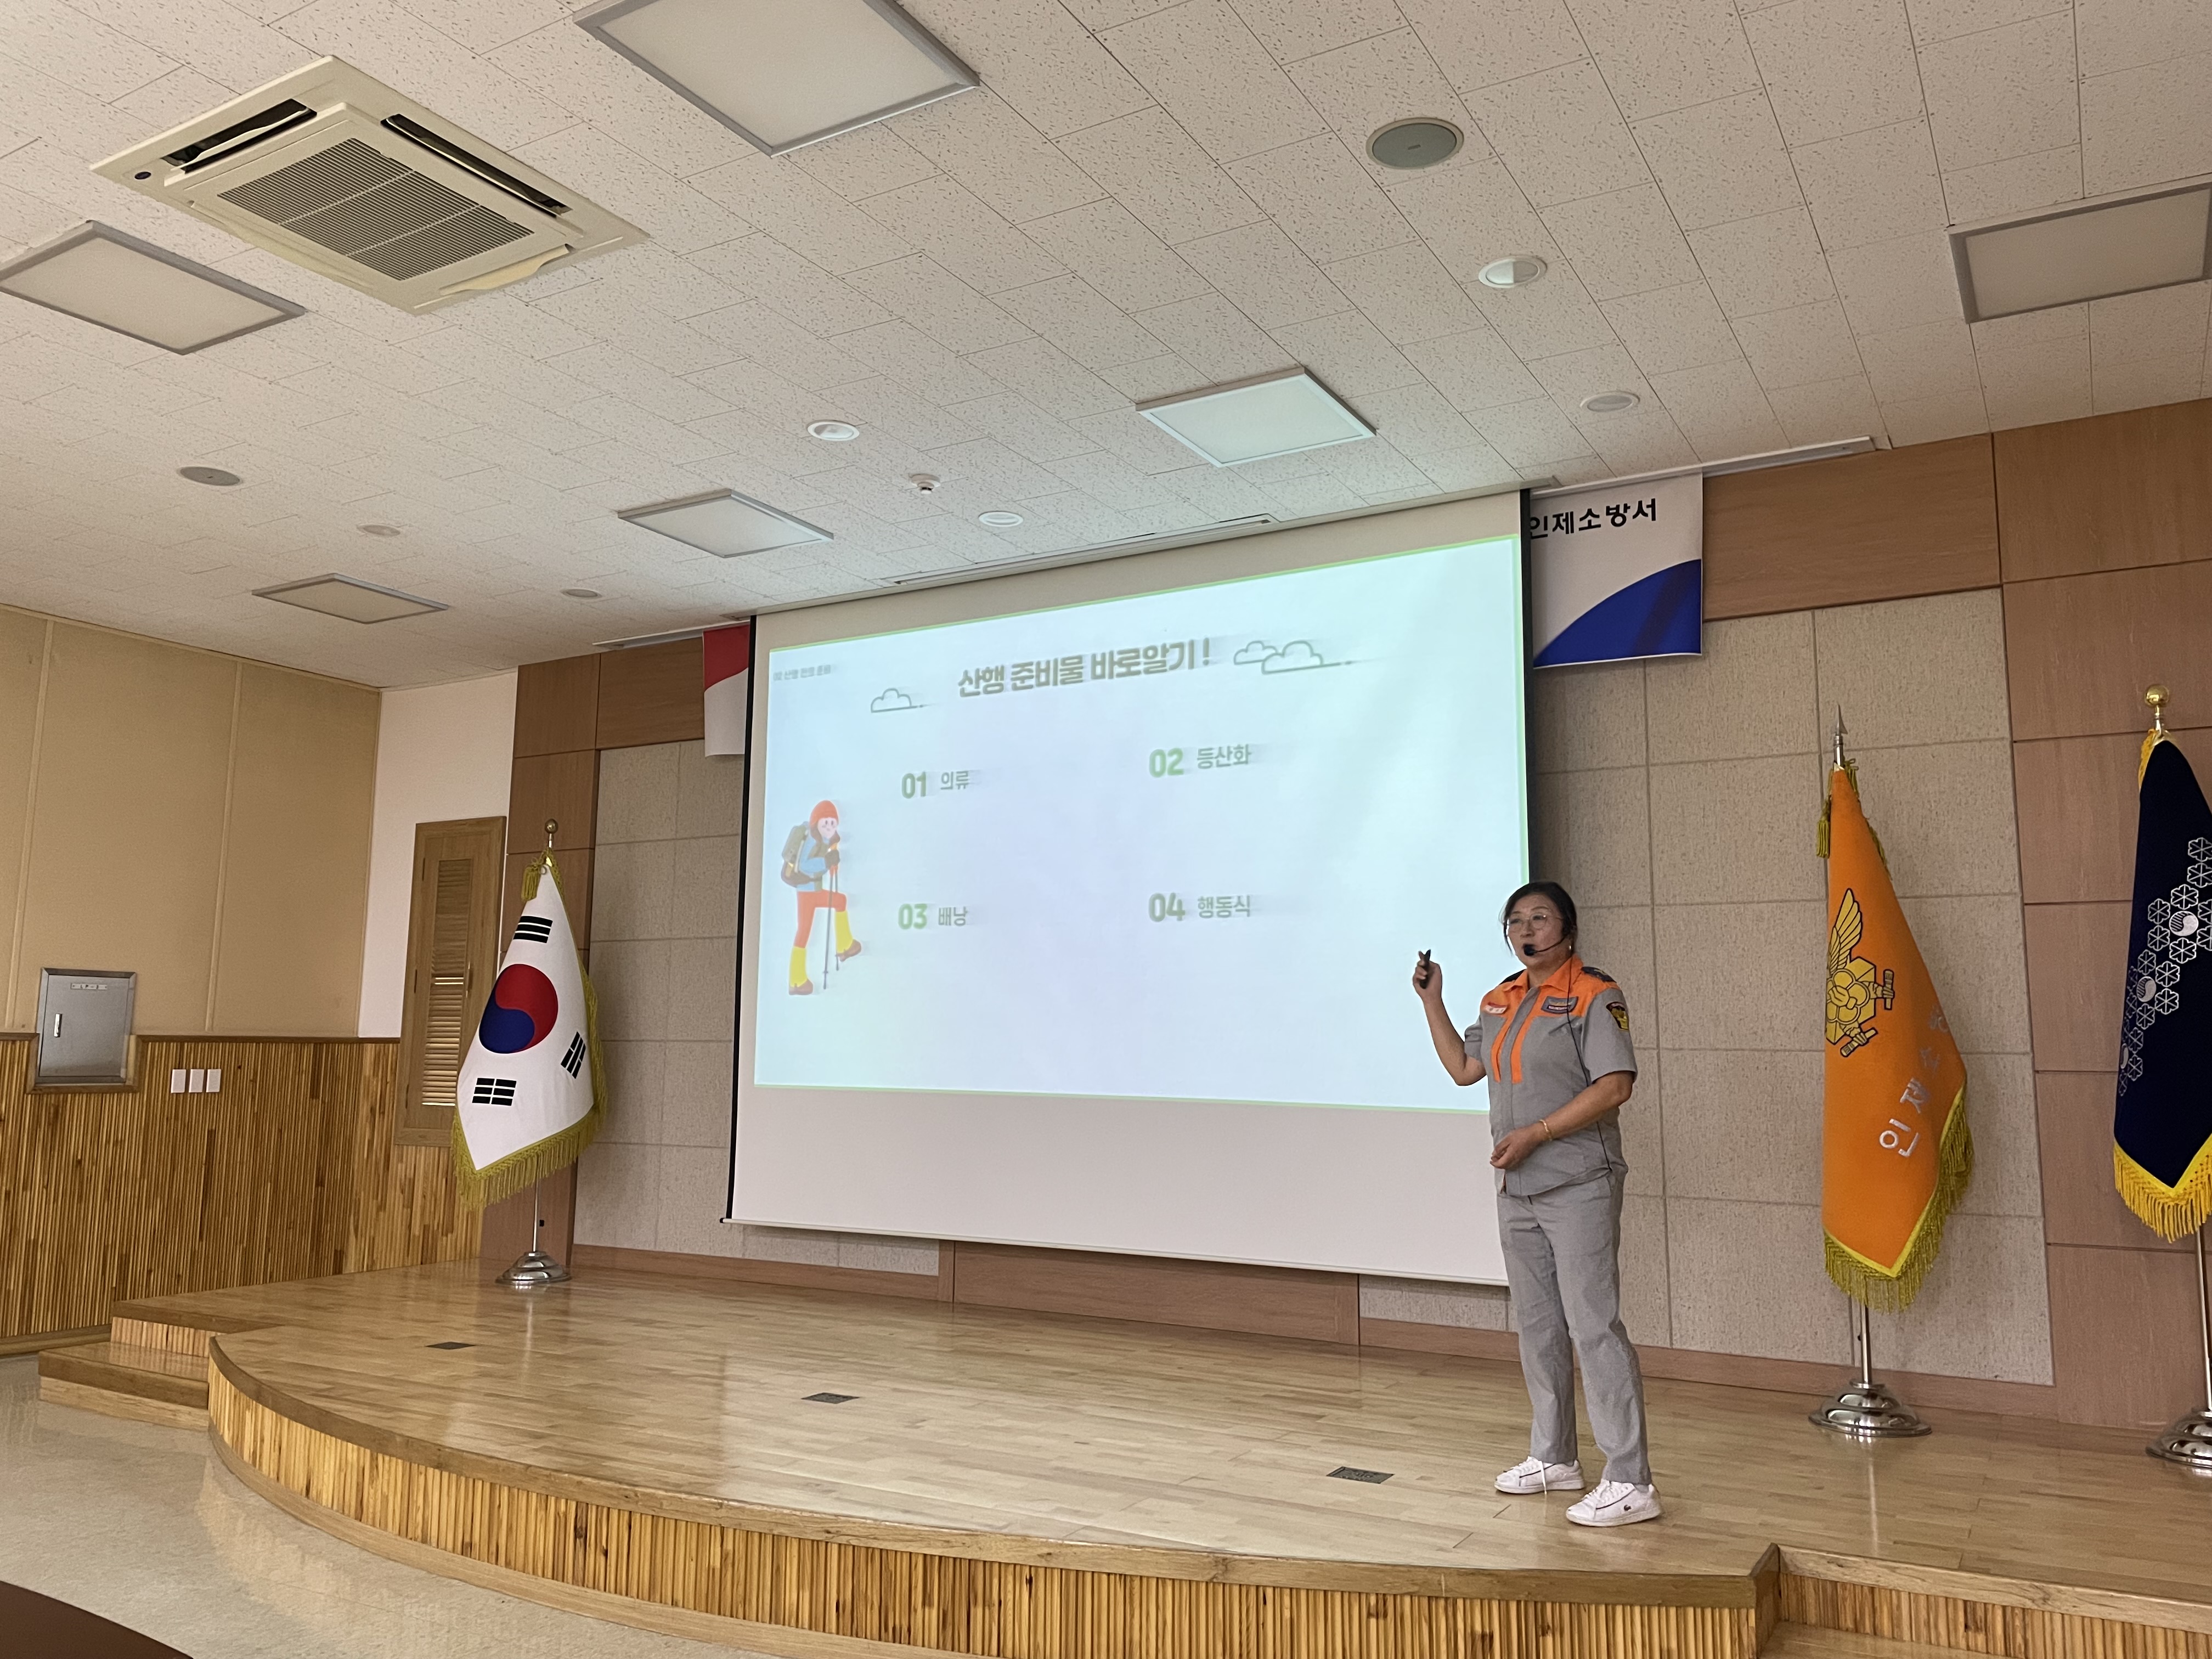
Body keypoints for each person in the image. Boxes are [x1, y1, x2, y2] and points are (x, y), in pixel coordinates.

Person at [1411, 881, 1659, 1527]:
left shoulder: (1594, 994)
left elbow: (1615, 1086)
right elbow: (1465, 1070)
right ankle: (1555, 1457)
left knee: (1593, 1325)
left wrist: (1540, 1133)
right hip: (1517, 1187)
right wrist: (1432, 1002)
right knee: (1539, 1324)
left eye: (1540, 918)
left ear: (1568, 930)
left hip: (1578, 1182)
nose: (1526, 930)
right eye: (1516, 921)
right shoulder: (1501, 999)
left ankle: (1631, 1478)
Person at [781, 800, 860, 995]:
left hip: (814, 891)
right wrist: (826, 862)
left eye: (833, 823)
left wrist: (831, 862)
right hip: (806, 893)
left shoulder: (824, 841)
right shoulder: (810, 840)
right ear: (817, 822)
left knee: (840, 901)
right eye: (826, 823)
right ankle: (797, 980)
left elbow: (824, 862)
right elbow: (805, 865)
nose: (829, 827)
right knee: (804, 932)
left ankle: (845, 945)